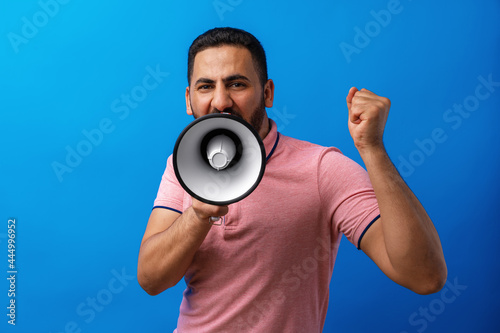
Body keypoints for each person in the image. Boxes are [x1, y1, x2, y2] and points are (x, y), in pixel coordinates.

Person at [137, 27, 447, 332]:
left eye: (237, 84)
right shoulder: (181, 166)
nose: (221, 101)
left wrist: (373, 149)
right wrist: (198, 214)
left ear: (267, 93)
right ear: (189, 100)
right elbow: (151, 279)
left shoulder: (322, 169)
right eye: (206, 87)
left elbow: (425, 277)